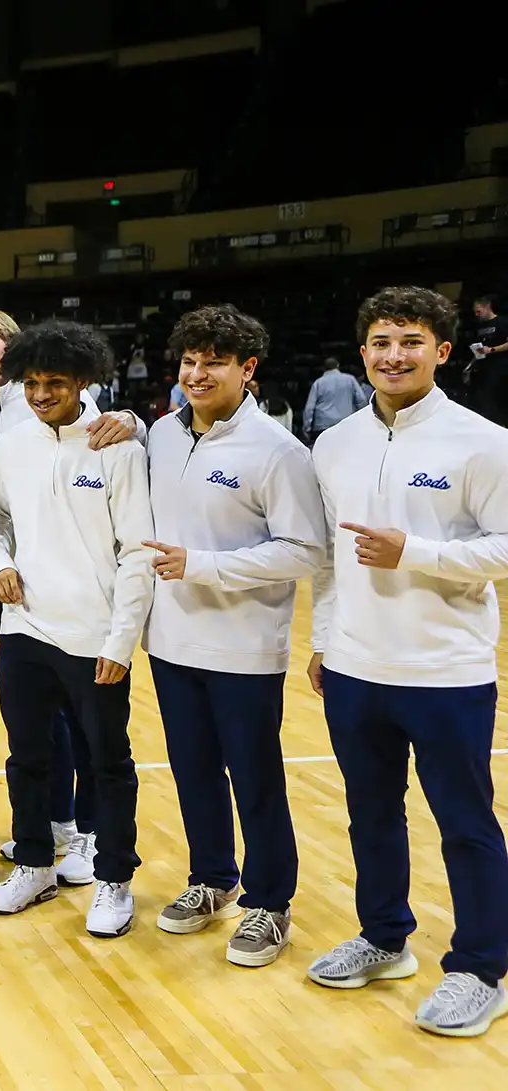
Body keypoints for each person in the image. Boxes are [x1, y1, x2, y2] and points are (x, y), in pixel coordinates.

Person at [305, 286, 508, 1038]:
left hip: (445, 669)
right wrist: (325, 640)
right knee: (370, 817)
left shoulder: (483, 441)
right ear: (363, 353)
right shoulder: (335, 443)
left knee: (465, 822)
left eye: (411, 342)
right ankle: (384, 937)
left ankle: (482, 967)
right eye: (382, 342)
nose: (394, 355)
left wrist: (413, 552)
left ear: (443, 351)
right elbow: (329, 559)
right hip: (357, 666)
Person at [143, 304, 322, 967]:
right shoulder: (161, 433)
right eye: (190, 360)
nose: (198, 372)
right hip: (171, 639)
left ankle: (270, 901)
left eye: (214, 360)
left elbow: (305, 551)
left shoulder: (278, 452)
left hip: (245, 644)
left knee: (255, 776)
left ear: (248, 368)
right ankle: (212, 877)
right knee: (192, 770)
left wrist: (206, 567)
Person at [0, 320, 152, 938]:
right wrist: (0, 564)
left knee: (107, 761)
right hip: (24, 629)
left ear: (84, 381)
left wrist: (120, 641)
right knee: (27, 757)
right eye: (30, 383)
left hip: (94, 635)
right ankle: (32, 863)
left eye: (54, 382)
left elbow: (138, 552)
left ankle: (114, 878)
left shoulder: (118, 447)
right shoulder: (11, 447)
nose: (40, 394)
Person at [466, 294, 507, 424]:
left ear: (487, 307)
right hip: (484, 367)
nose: (477, 315)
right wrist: (469, 367)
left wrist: (492, 349)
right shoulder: (480, 327)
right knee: (485, 398)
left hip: (501, 367)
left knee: (499, 397)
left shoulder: (502, 322)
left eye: (479, 311)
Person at [301, 356, 367, 437]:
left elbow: (309, 408)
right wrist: (361, 420)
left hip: (323, 426)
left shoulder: (318, 383)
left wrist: (307, 428)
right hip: (347, 424)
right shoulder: (350, 379)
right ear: (338, 365)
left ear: (323, 368)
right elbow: (362, 400)